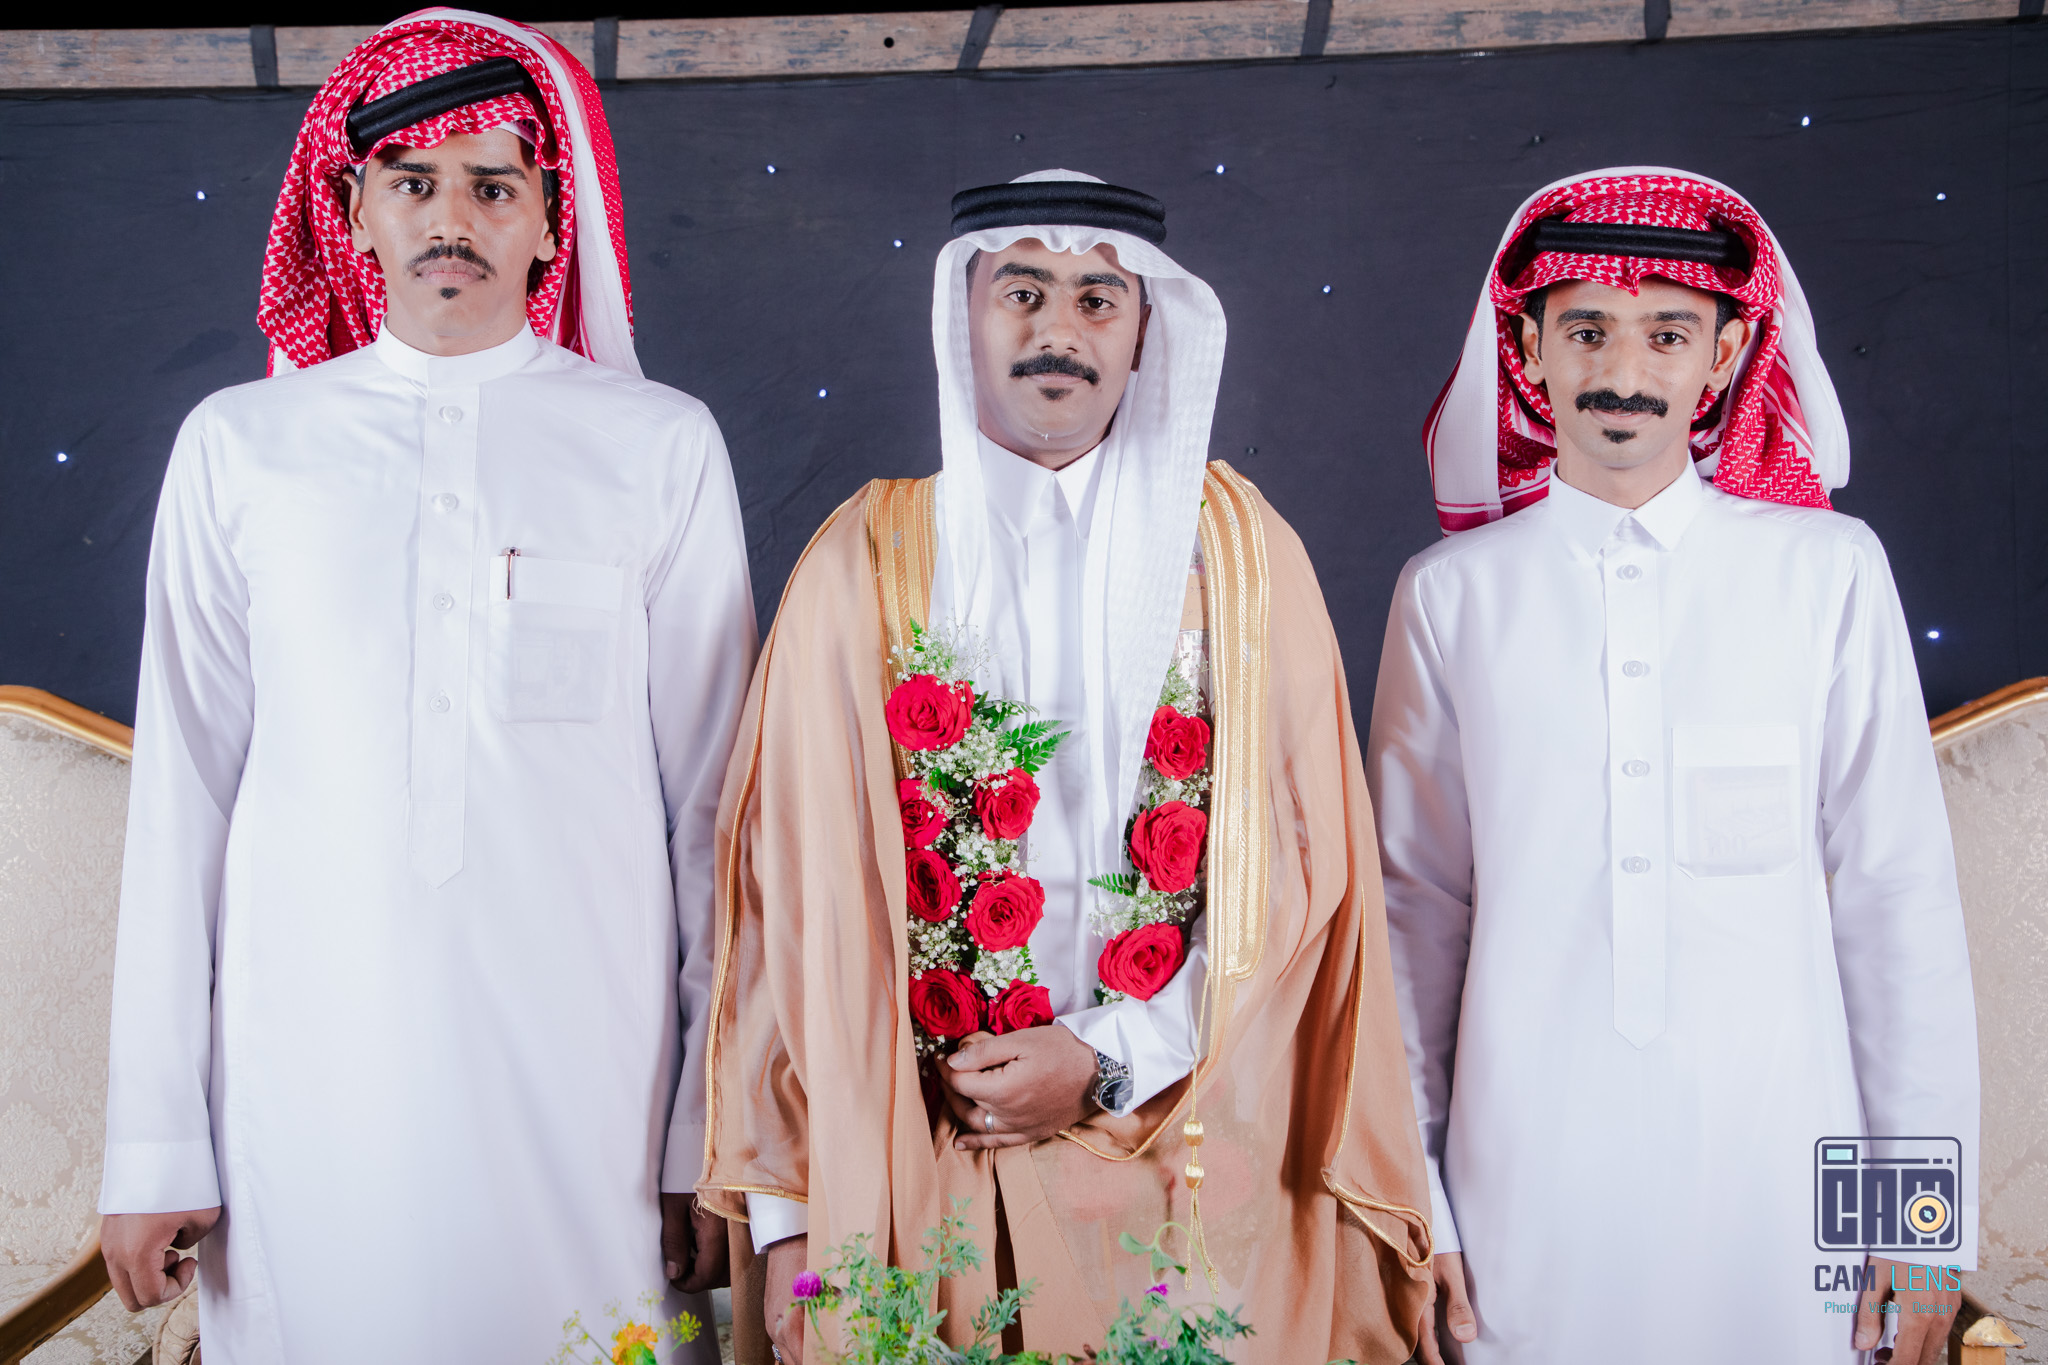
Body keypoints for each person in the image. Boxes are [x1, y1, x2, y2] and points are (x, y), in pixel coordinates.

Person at [97, 12, 753, 1360]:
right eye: (413, 182)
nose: (451, 218)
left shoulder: (659, 447)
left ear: (550, 221)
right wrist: (153, 1140)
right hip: (307, 1091)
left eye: (493, 185)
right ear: (352, 211)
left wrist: (711, 1130)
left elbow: (718, 818)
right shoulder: (242, 447)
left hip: (596, 1093)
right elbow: (181, 806)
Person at [696, 170, 1432, 1364]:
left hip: (1190, 1158)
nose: (1057, 330)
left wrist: (1107, 1060)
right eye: (1021, 292)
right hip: (919, 1168)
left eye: (1097, 299)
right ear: (966, 316)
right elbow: (791, 901)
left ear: (1145, 331)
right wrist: (788, 1220)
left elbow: (1305, 881)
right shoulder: (862, 560)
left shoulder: (1239, 556)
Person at [1369, 167, 1980, 1365]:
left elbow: (1895, 901)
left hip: (1783, 1187)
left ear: (1724, 351)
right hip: (1520, 1194)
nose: (1622, 371)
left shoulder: (1826, 572)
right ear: (1528, 352)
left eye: (1665, 333)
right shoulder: (1448, 597)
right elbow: (1409, 917)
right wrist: (1415, 1203)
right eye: (1584, 330)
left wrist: (1915, 1229)